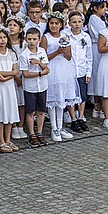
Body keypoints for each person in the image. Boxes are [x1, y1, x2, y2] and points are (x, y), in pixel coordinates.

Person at [40, 11, 79, 141]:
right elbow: (43, 57)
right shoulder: (46, 37)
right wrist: (57, 52)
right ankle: (53, 127)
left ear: (61, 24)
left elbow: (69, 56)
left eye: (57, 23)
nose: (54, 26)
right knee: (53, 99)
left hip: (63, 69)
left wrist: (64, 50)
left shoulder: (65, 36)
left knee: (62, 98)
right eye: (52, 23)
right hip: (52, 69)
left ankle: (60, 126)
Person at [0, 26, 21, 153]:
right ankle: (1, 141)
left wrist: (10, 75)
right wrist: (11, 74)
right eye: (0, 38)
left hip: (9, 86)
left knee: (9, 113)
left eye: (4, 37)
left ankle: (8, 139)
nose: (2, 40)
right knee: (0, 113)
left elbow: (16, 71)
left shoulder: (11, 53)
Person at [20, 27, 49, 148]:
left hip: (42, 86)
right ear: (26, 39)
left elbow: (47, 68)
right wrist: (40, 73)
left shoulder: (42, 51)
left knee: (41, 111)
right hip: (30, 87)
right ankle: (32, 134)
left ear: (39, 39)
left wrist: (38, 63)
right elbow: (25, 74)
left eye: (34, 39)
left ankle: (40, 132)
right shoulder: (24, 55)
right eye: (29, 39)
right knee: (30, 111)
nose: (32, 41)